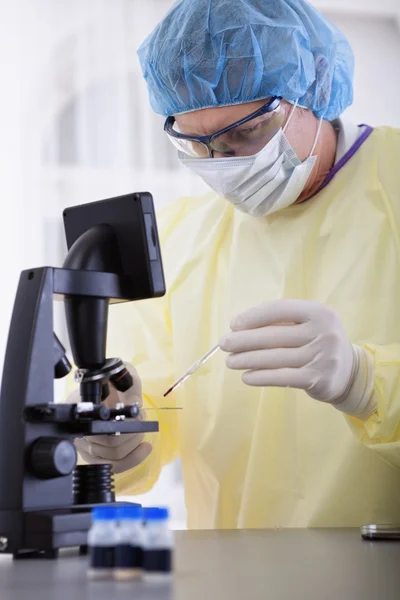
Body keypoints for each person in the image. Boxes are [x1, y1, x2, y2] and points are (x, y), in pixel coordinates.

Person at [74, 0, 400, 529]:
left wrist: (367, 383)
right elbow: (155, 407)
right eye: (200, 145)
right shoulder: (180, 237)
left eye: (246, 134)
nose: (227, 165)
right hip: (233, 571)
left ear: (314, 88)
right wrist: (119, 435)